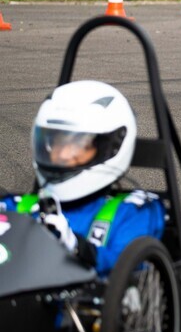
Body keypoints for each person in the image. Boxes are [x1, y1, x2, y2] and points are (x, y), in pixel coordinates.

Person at [0, 80, 166, 275]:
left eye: (76, 146)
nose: (61, 155)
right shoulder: (21, 206)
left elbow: (121, 263)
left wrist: (75, 246)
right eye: (55, 144)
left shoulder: (132, 212)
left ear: (109, 148)